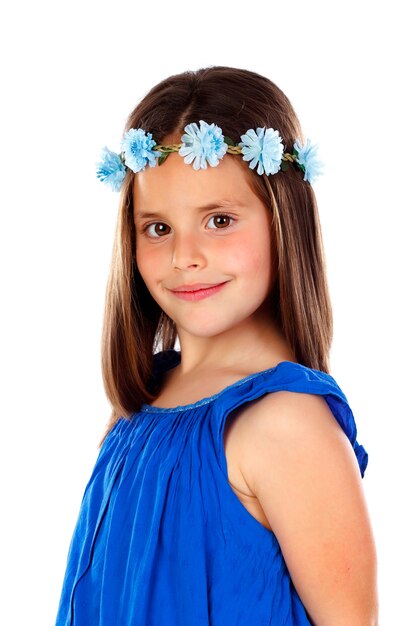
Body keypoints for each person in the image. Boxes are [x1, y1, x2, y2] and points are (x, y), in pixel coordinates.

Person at [55, 65, 379, 625]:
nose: (185, 257)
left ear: (284, 221)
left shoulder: (286, 424)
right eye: (158, 228)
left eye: (220, 220)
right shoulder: (140, 404)